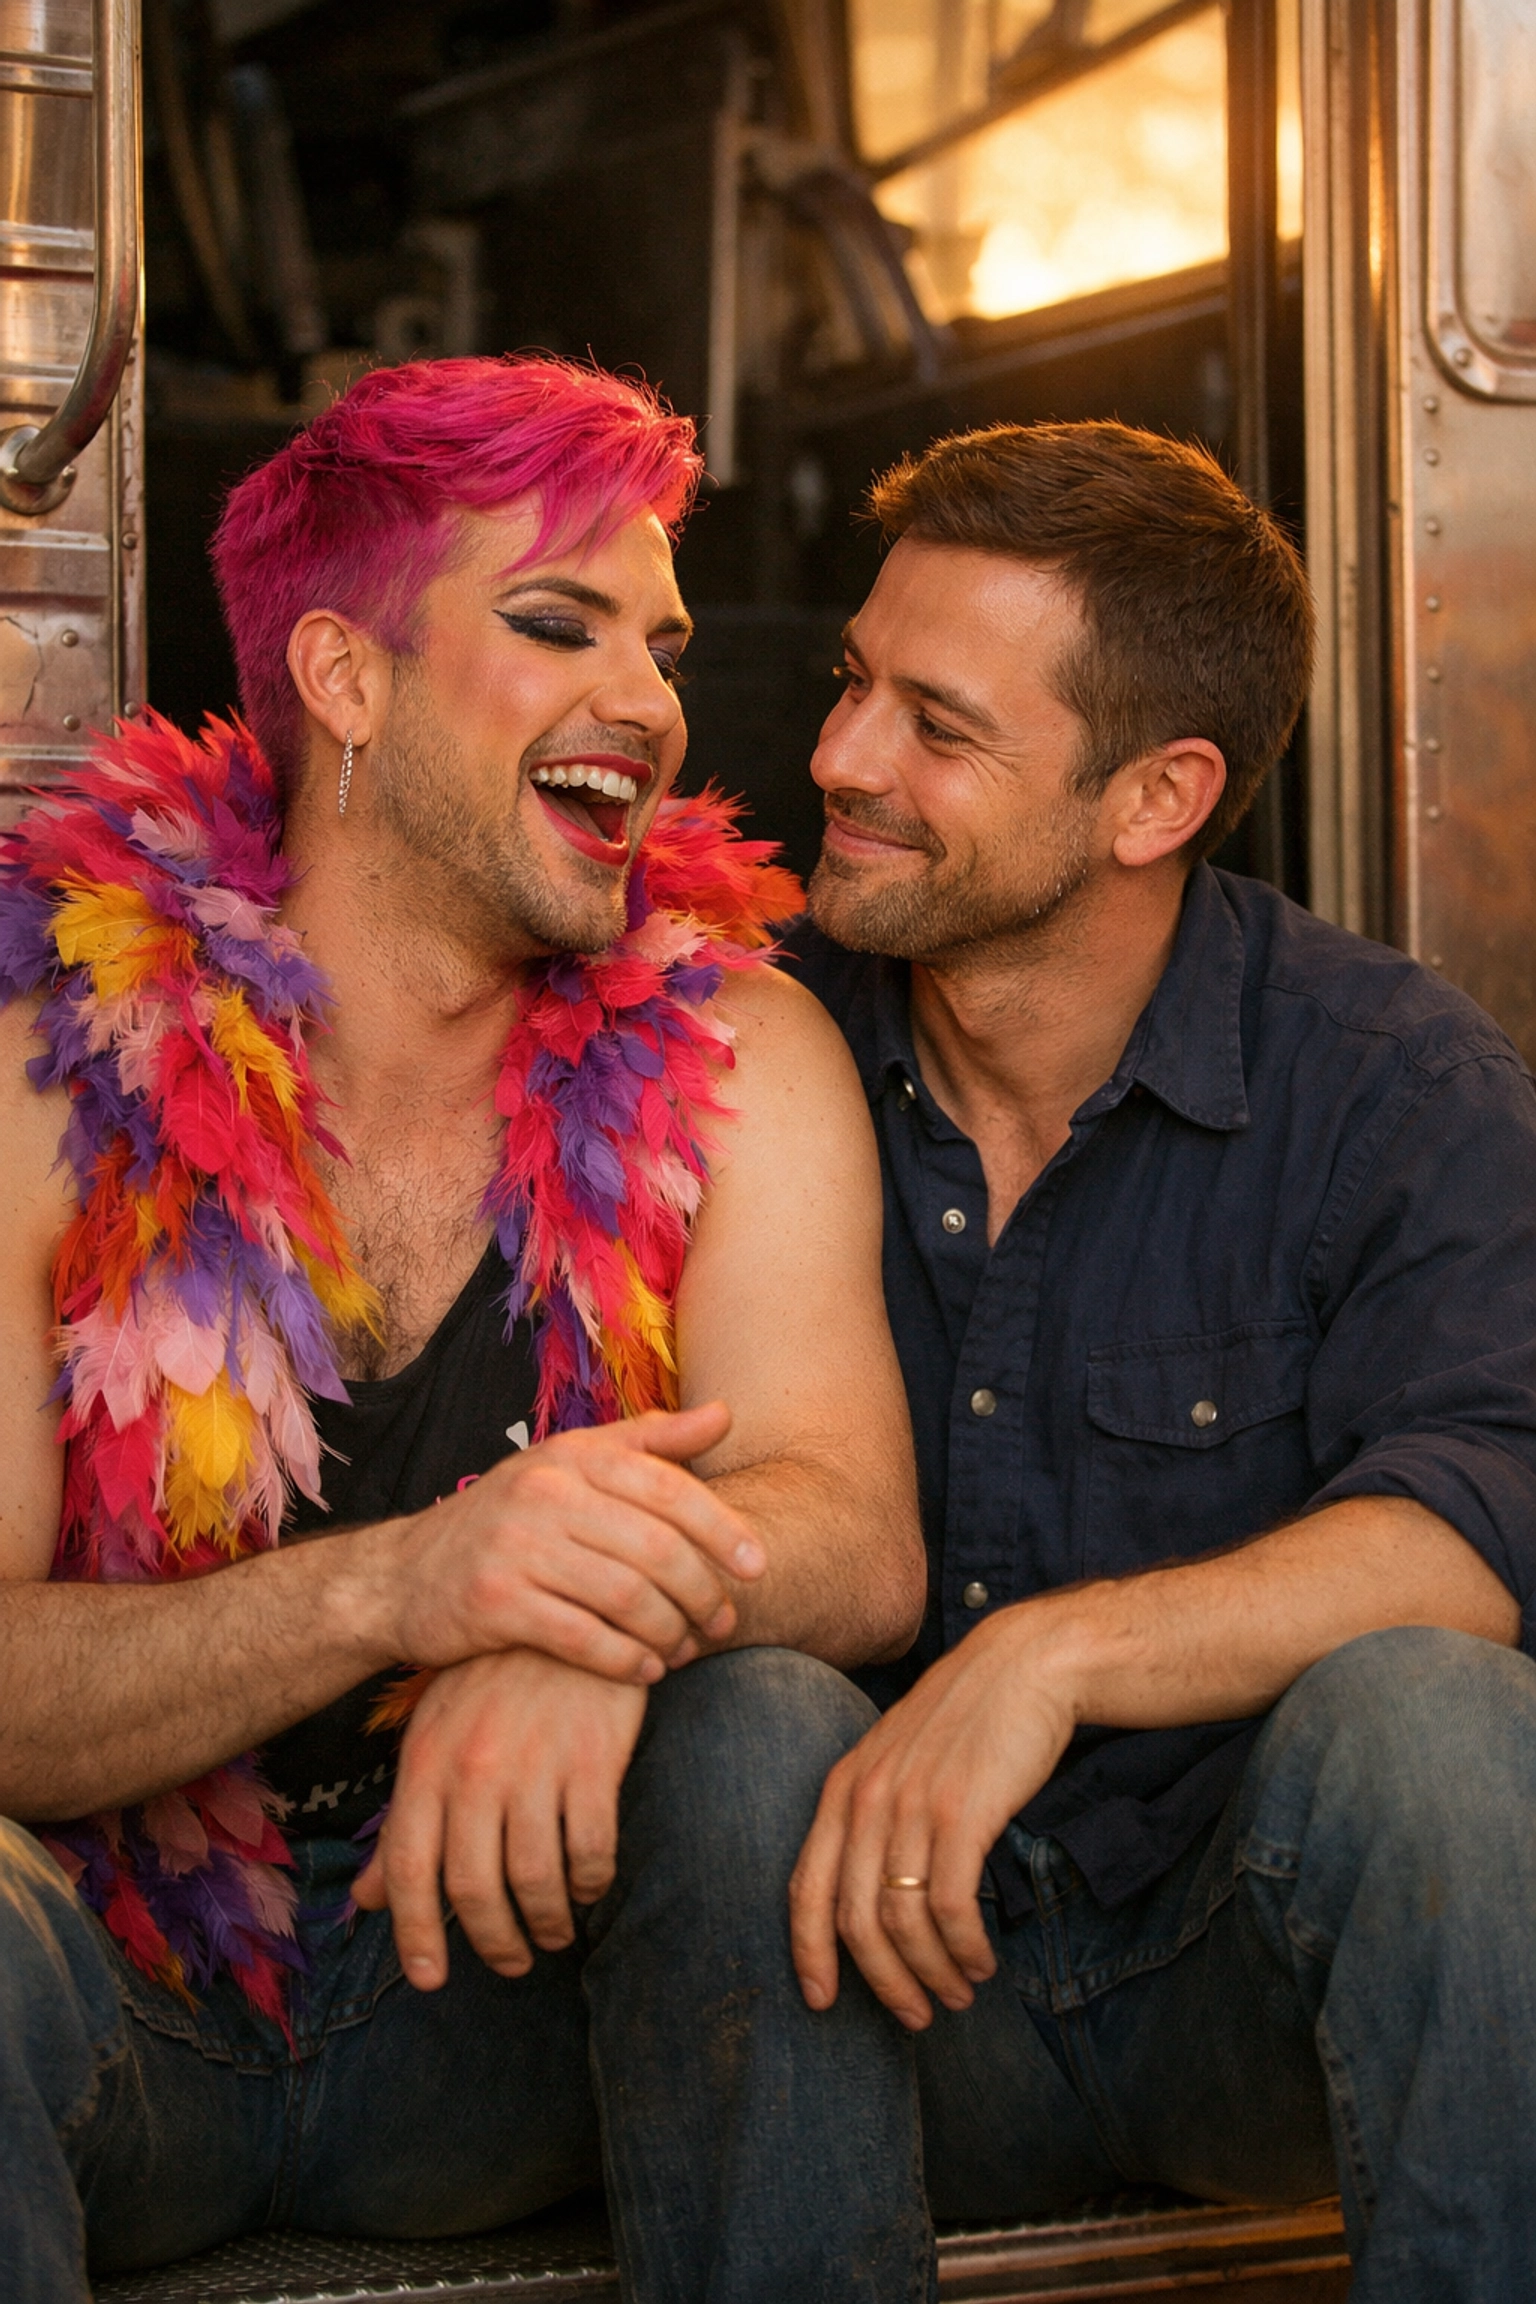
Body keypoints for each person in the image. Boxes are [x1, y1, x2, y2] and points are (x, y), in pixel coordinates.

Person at [0, 357, 935, 2303]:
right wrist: (419, 1588)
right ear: (344, 682)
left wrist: (608, 1632)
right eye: (555, 623)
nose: (651, 703)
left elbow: (854, 1538)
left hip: (497, 1997)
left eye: (661, 643)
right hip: (116, 2007)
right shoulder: (39, 1069)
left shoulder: (740, 1046)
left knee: (764, 1729)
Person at [783, 419, 1536, 2302]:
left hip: (1227, 1989)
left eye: (937, 727)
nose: (839, 759)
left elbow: (1486, 1509)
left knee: (1436, 1722)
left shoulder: (1391, 1080)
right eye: (855, 682)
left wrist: (1054, 1656)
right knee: (733, 1743)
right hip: (839, 2002)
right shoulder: (742, 1047)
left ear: (1154, 798)